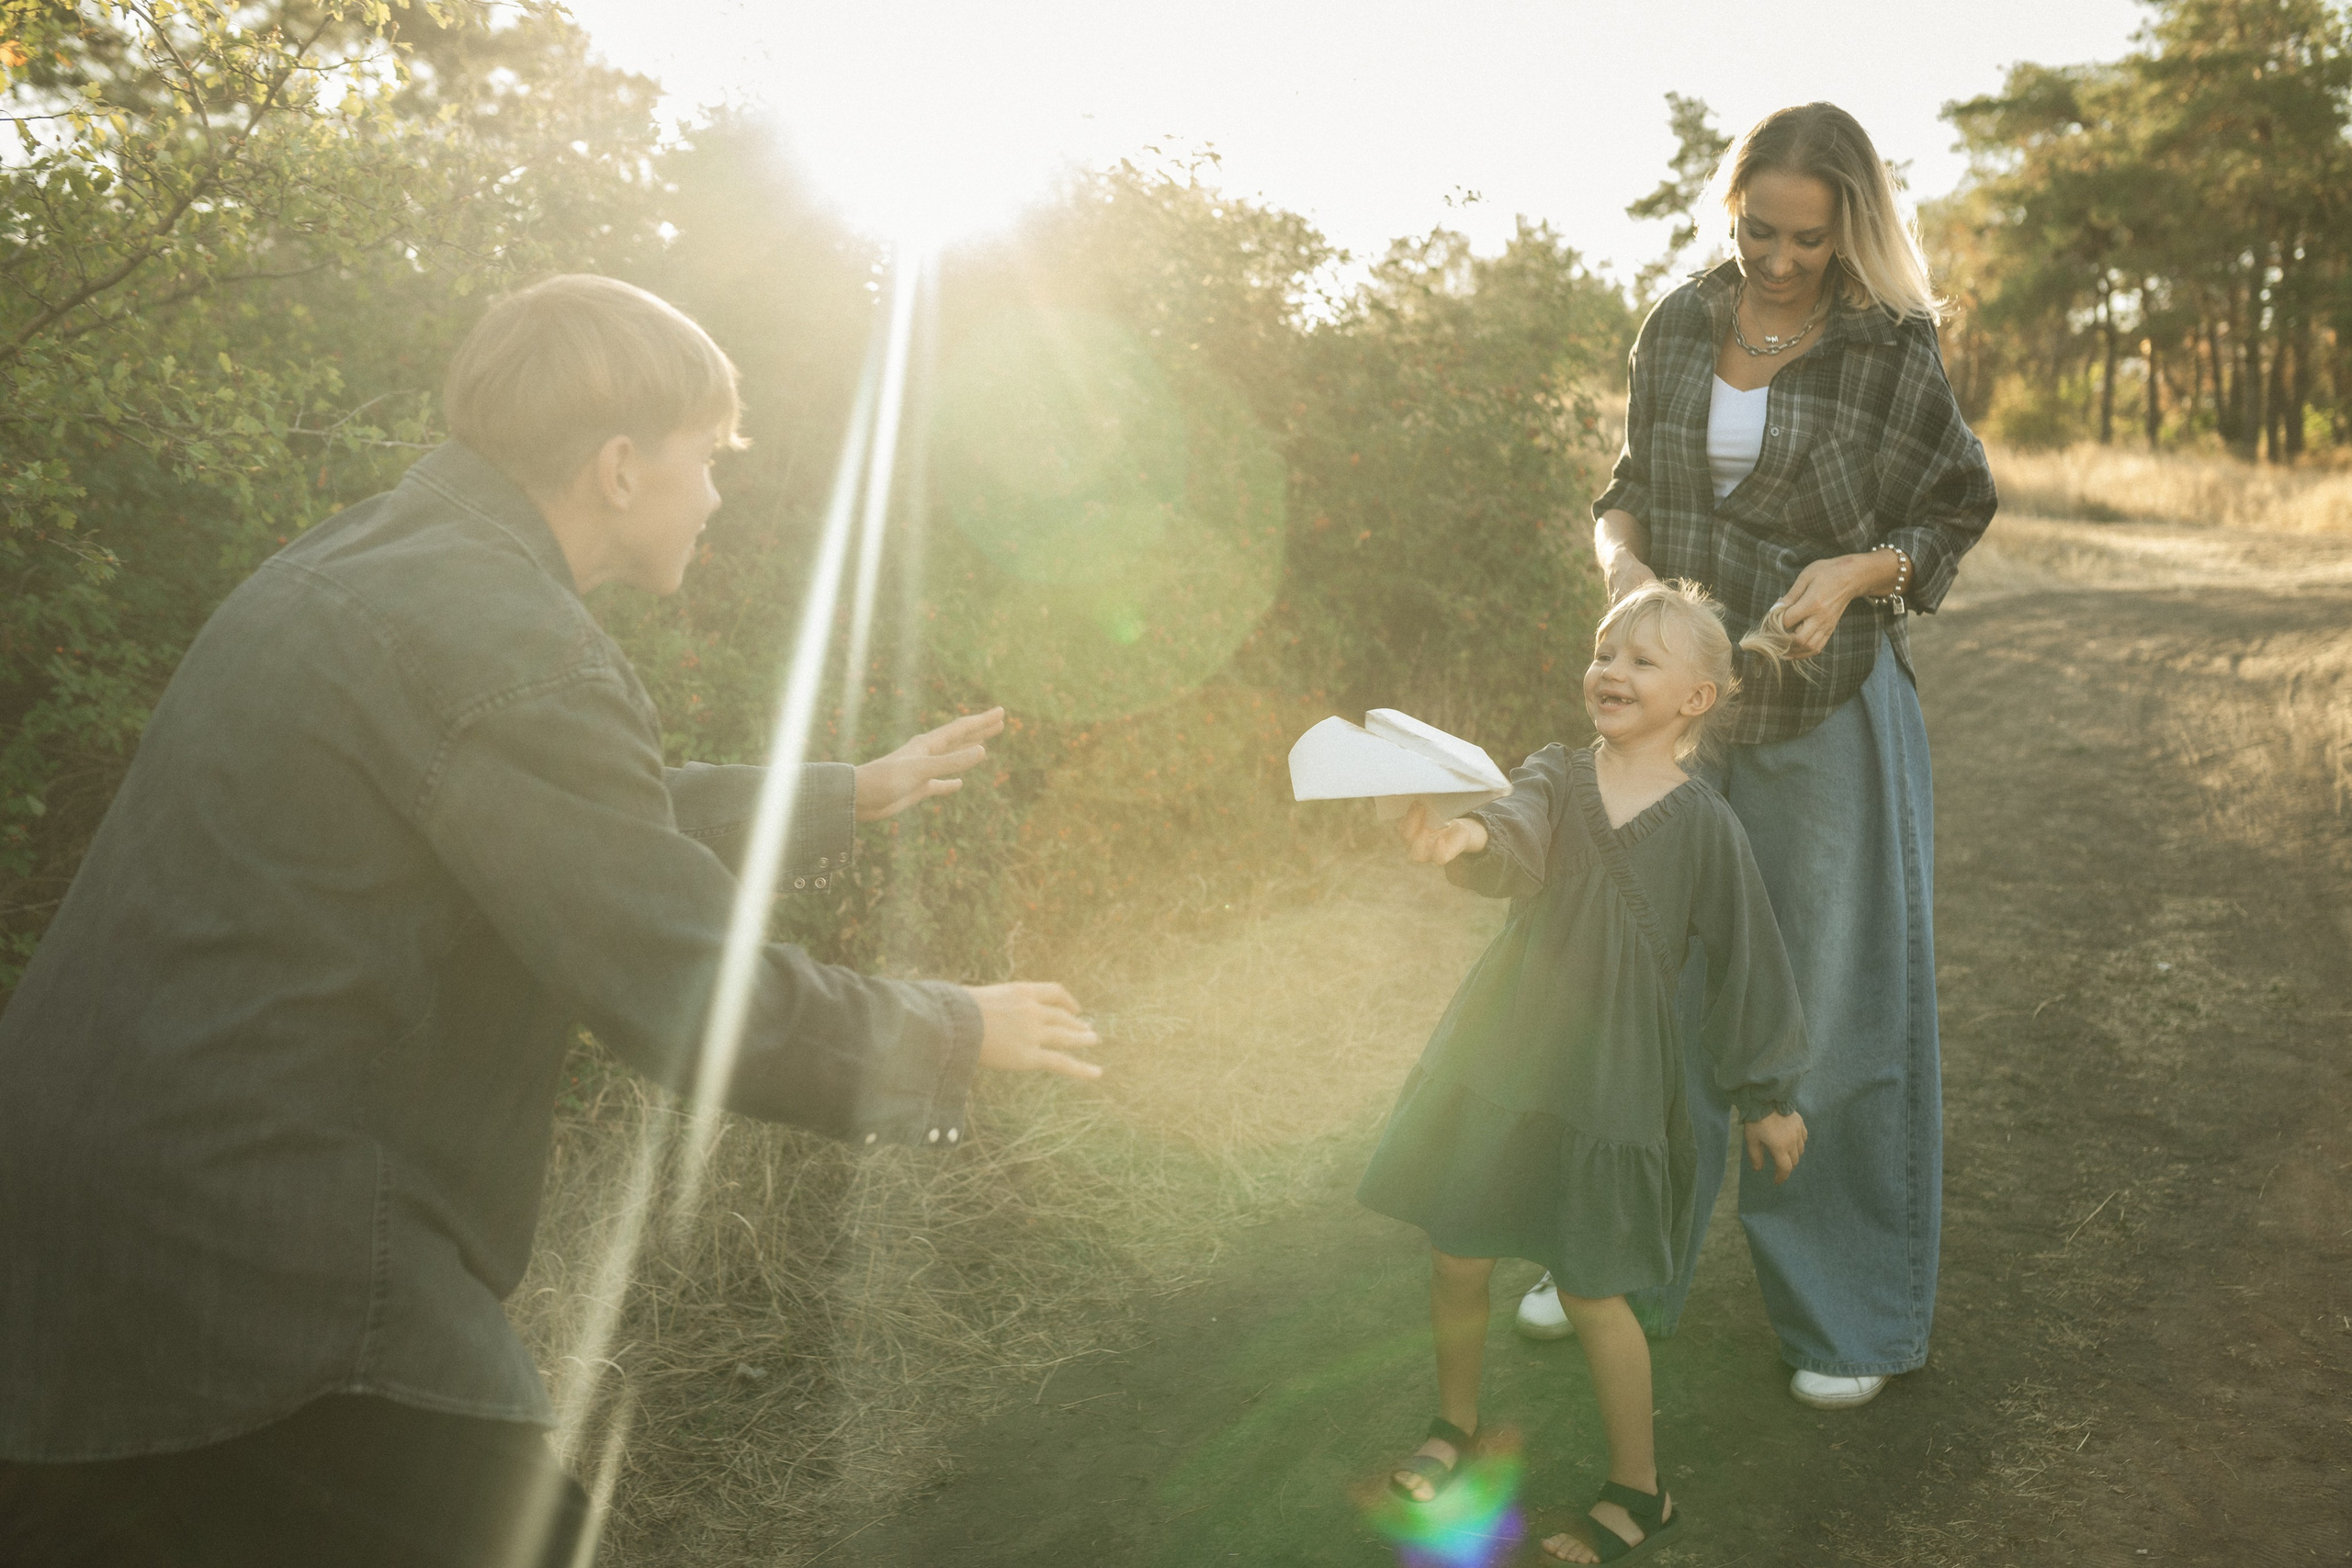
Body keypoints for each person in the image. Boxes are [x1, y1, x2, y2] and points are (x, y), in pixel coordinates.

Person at [0, 275, 1102, 1568]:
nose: (718, 495)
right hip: (269, 1266)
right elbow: (686, 989)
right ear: (622, 467)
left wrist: (842, 794)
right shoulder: (513, 643)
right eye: (710, 459)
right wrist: (955, 1027)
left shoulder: (374, 566)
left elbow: (542, 819)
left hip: (77, 1252)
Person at [1524, 103, 1996, 1409]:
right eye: (1757, 230)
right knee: (1631, 980)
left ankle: (1845, 1308)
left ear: (1851, 228)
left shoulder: (1892, 344)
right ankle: (1610, 1259)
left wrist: (1851, 574)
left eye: (1806, 237)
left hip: (1822, 708)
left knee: (1827, 1003)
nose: (1778, 259)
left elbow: (1954, 504)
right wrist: (1619, 561)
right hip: (1681, 710)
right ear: (1729, 209)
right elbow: (1626, 488)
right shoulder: (1677, 320)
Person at [1357, 581, 1811, 1563]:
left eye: (1642, 660)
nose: (1610, 669)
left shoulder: (1705, 829)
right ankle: (1454, 1426)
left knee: (1595, 1288)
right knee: (1457, 1250)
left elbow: (1750, 963)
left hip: (1608, 1077)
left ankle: (1637, 1491)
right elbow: (1509, 829)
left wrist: (1766, 1098)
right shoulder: (1557, 774)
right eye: (1604, 650)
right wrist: (1458, 838)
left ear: (1698, 698)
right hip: (1504, 1052)